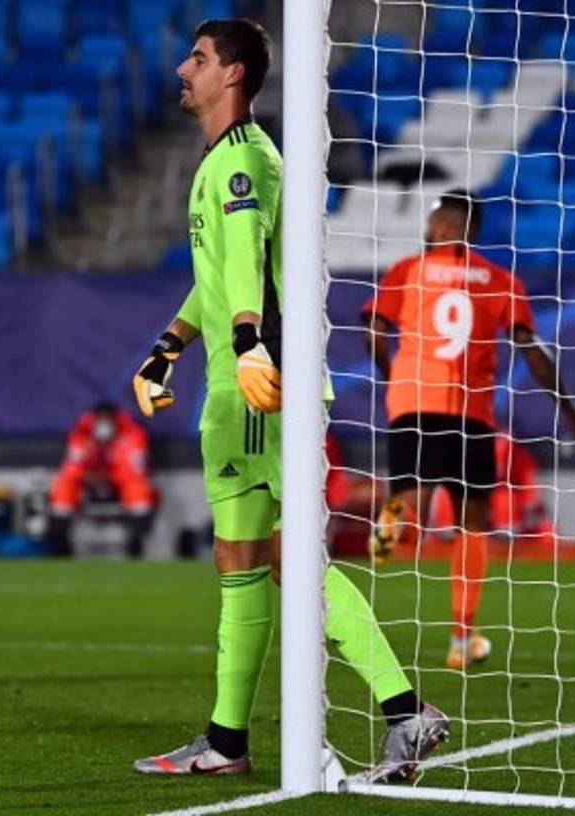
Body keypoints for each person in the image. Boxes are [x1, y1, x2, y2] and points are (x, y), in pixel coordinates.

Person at [127, 19, 446, 782]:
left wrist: (246, 348)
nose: (183, 67)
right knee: (241, 558)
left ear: (231, 74)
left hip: (262, 383)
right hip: (238, 381)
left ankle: (406, 711)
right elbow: (219, 278)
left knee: (286, 556)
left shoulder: (247, 163)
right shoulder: (220, 162)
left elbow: (244, 274)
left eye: (198, 59)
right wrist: (167, 350)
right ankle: (226, 742)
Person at [363, 189, 575, 671]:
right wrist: (569, 410)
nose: (428, 231)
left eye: (433, 224)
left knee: (412, 503)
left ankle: (393, 520)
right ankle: (462, 639)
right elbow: (531, 350)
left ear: (447, 227)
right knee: (473, 524)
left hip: (412, 402)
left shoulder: (408, 270)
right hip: (471, 414)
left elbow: (374, 328)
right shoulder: (501, 281)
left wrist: (391, 372)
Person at [48, 401, 156, 558]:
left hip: (120, 482)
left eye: (108, 418)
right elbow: (73, 465)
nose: (104, 423)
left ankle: (136, 540)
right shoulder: (81, 433)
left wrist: (108, 474)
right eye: (100, 418)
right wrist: (88, 475)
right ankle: (60, 538)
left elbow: (134, 469)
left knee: (138, 486)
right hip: (88, 482)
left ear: (116, 419)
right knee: (65, 483)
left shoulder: (133, 434)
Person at [425, 434, 554, 546]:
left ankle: (505, 545)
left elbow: (530, 491)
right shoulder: (456, 443)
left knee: (505, 501)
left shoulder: (512, 447)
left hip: (506, 506)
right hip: (466, 497)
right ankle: (448, 545)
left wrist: (529, 506)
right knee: (447, 499)